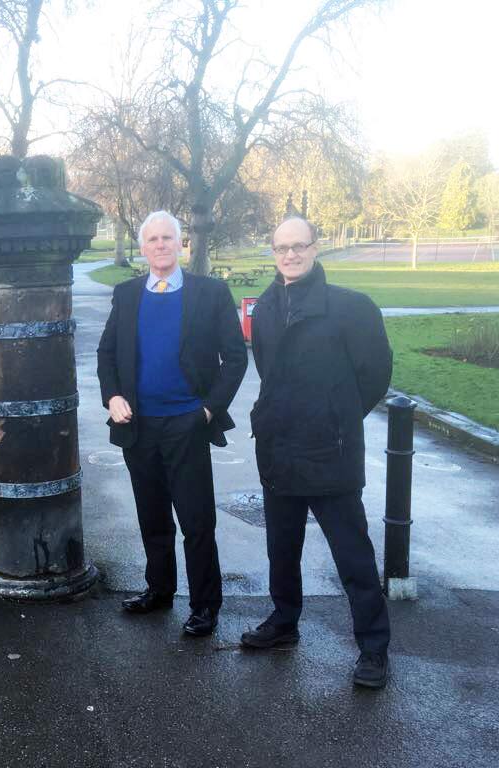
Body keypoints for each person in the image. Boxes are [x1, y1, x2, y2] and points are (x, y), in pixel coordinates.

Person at [242, 215, 393, 689]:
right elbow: (267, 368)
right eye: (282, 247)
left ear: (316, 247)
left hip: (331, 451)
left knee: (353, 557)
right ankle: (284, 623)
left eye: (299, 246)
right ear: (273, 252)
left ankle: (373, 648)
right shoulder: (265, 307)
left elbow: (374, 375)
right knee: (281, 550)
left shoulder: (352, 308)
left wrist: (337, 416)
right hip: (280, 449)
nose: (291, 255)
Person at [97, 211, 247, 636]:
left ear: (180, 244)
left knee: (197, 521)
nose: (160, 245)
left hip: (188, 424)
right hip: (139, 427)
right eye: (152, 239)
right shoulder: (126, 295)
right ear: (143, 248)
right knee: (153, 517)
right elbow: (106, 354)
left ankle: (204, 606)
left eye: (167, 238)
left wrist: (207, 410)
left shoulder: (210, 293)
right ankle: (158, 591)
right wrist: (113, 396)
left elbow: (235, 359)